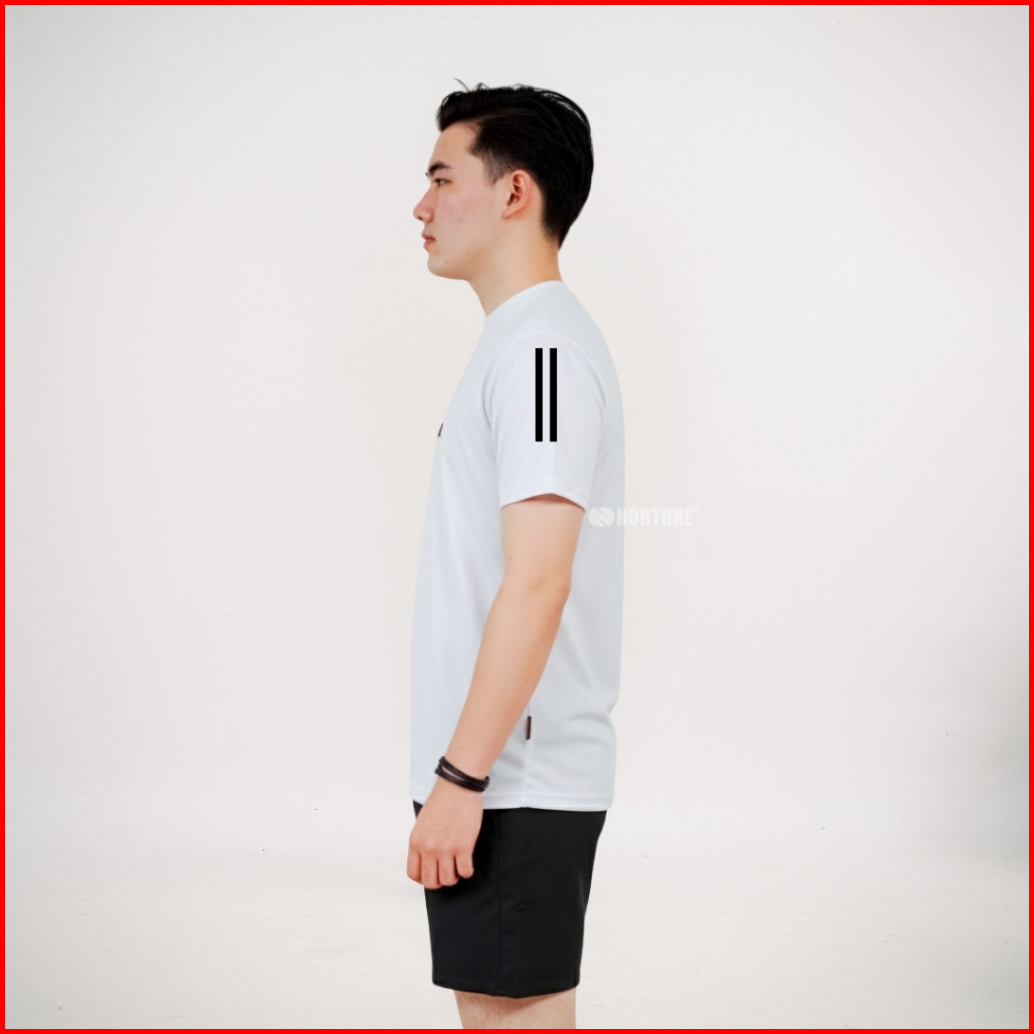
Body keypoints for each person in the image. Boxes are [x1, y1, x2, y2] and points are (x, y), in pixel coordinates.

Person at [407, 83, 625, 1030]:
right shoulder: (520, 346)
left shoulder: (541, 354)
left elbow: (539, 582)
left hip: (509, 782)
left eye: (441, 177)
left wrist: (463, 780)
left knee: (512, 1013)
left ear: (513, 192)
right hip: (500, 776)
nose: (421, 206)